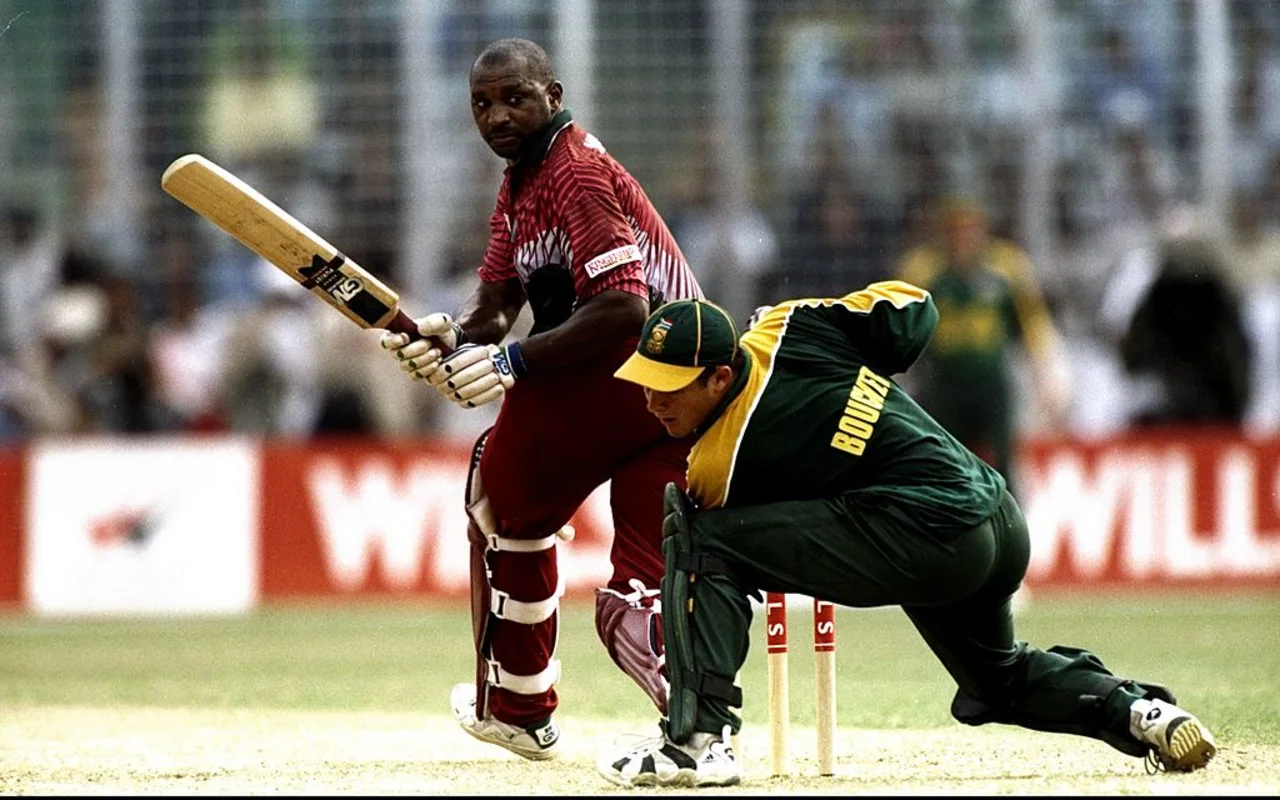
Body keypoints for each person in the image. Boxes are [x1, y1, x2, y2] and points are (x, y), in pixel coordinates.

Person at [598, 286, 1217, 787]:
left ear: (717, 377)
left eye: (668, 384)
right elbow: (915, 312)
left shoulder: (715, 466)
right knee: (995, 681)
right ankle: (1141, 713)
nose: (651, 401)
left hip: (925, 533)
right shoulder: (791, 327)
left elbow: (732, 562)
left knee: (700, 537)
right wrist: (835, 330)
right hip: (997, 518)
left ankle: (697, 742)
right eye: (647, 380)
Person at [379, 38, 702, 760]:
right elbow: (497, 303)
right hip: (687, 392)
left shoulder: (574, 170)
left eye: (514, 98)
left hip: (643, 364)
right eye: (482, 104)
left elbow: (623, 308)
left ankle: (518, 704)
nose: (497, 115)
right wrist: (453, 338)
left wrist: (509, 361)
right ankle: (699, 727)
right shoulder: (521, 181)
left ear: (553, 96)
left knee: (501, 490)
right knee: (643, 590)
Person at [897, 197, 1069, 498]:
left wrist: (1048, 371)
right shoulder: (922, 271)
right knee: (941, 462)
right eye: (955, 230)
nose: (963, 239)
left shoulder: (1007, 267)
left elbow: (1033, 323)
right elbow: (897, 328)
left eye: (969, 229)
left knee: (1005, 460)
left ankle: (1011, 530)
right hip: (942, 384)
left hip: (992, 384)